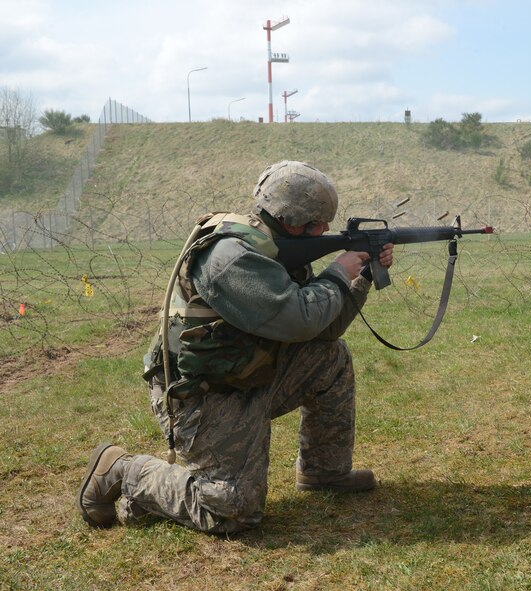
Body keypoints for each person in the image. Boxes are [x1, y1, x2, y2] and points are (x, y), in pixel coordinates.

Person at [77, 160, 393, 533]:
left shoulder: (275, 247)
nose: (326, 230)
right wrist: (339, 272)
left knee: (330, 358)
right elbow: (300, 318)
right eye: (320, 222)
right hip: (201, 395)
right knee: (231, 509)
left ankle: (324, 471)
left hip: (246, 375)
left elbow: (321, 332)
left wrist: (361, 278)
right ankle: (123, 469)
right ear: (294, 220)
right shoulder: (233, 257)